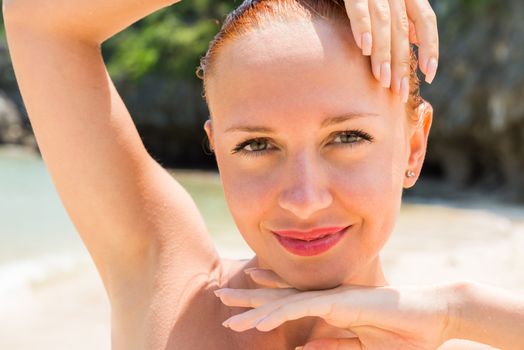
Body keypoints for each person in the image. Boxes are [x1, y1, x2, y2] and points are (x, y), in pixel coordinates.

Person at [3, 0, 523, 349]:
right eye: (255, 144)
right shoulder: (169, 287)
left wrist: (459, 310)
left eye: (346, 138)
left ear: (413, 146)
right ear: (217, 149)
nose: (304, 198)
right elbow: (36, 17)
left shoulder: (435, 330)